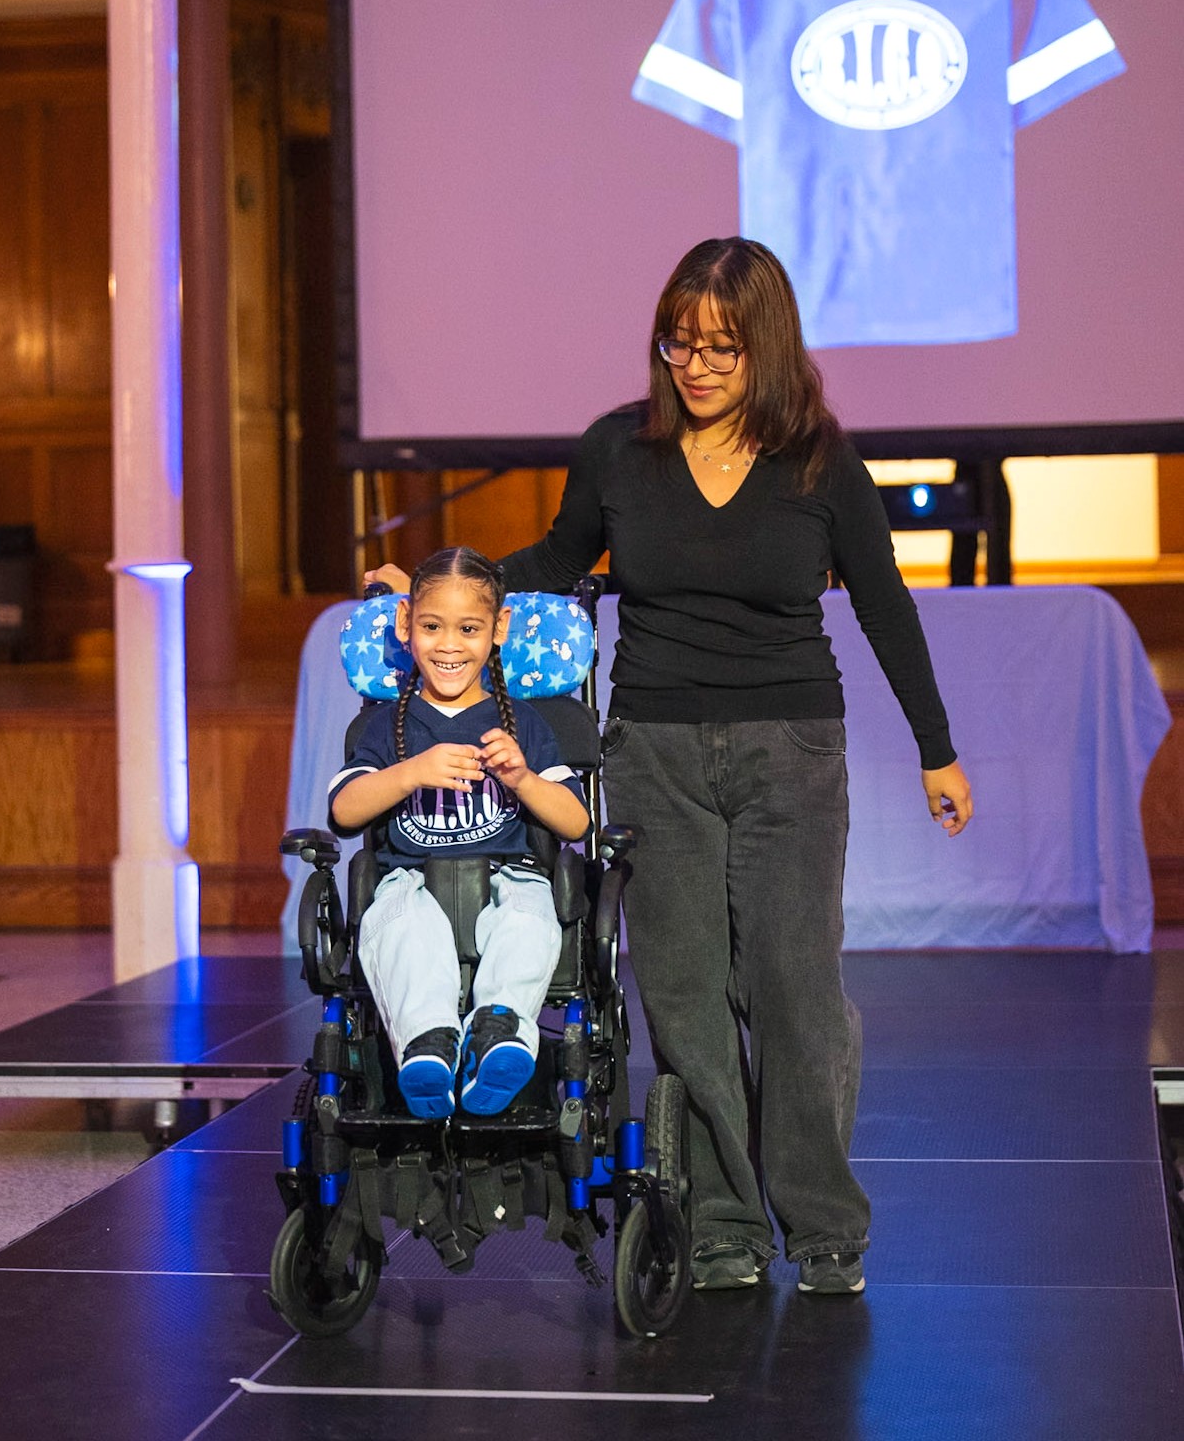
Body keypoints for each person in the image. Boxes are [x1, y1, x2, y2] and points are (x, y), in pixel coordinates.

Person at [369, 237, 972, 1295]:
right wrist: (439, 588)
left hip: (791, 749)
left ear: (767, 350)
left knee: (794, 992)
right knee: (686, 997)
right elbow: (556, 559)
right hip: (653, 748)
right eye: (679, 343)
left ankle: (826, 1227)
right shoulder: (619, 451)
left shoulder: (820, 462)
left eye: (722, 349)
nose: (695, 366)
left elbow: (884, 605)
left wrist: (937, 750)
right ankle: (728, 1224)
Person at [330, 546, 591, 1121]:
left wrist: (522, 777)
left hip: (508, 876)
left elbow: (576, 822)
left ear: (497, 631)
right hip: (411, 877)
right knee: (403, 926)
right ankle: (428, 1044)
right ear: (406, 626)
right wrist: (410, 773)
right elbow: (346, 812)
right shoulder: (383, 723)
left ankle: (500, 1030)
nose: (449, 645)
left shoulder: (523, 722)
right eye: (431, 627)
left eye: (468, 629)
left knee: (527, 916)